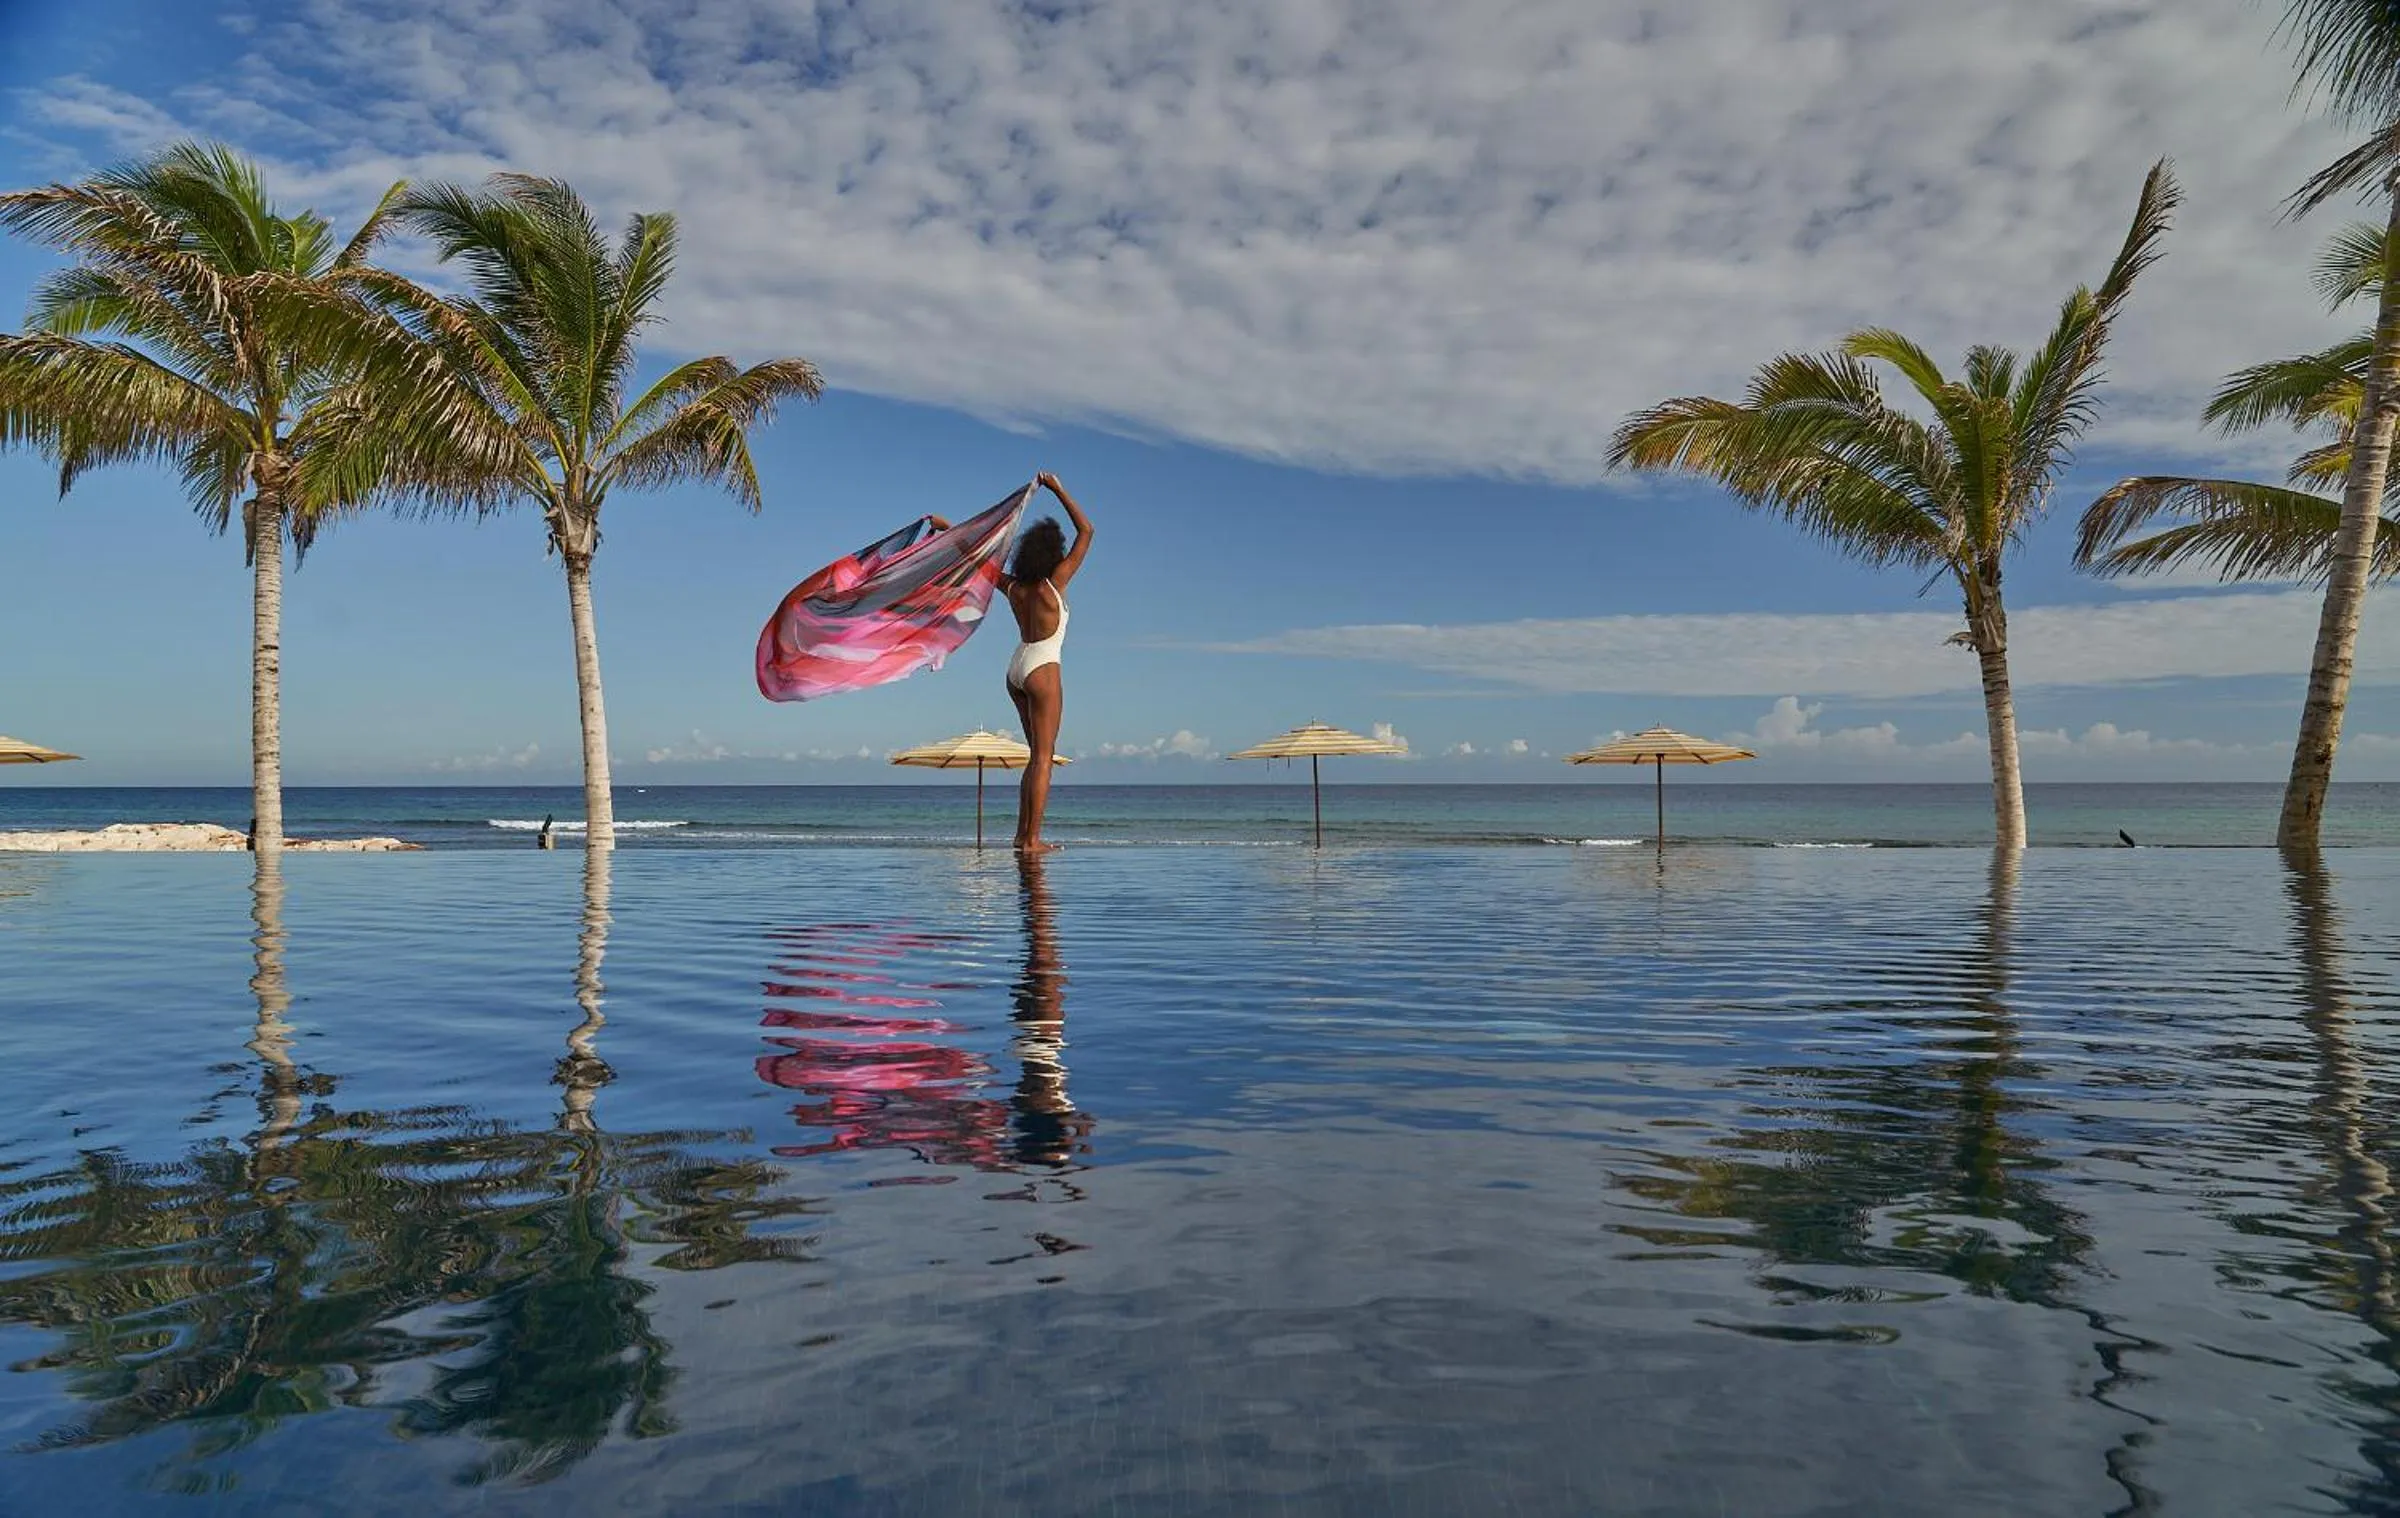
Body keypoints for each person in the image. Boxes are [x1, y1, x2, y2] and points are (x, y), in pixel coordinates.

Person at [998, 473, 1093, 852]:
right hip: (1043, 665)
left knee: (1035, 758)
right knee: (1043, 757)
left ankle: (1022, 836)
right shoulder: (1054, 582)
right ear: (1053, 552)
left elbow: (976, 562)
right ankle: (1032, 839)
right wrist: (1058, 489)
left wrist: (946, 531)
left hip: (1016, 666)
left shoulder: (1015, 587)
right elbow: (1086, 531)